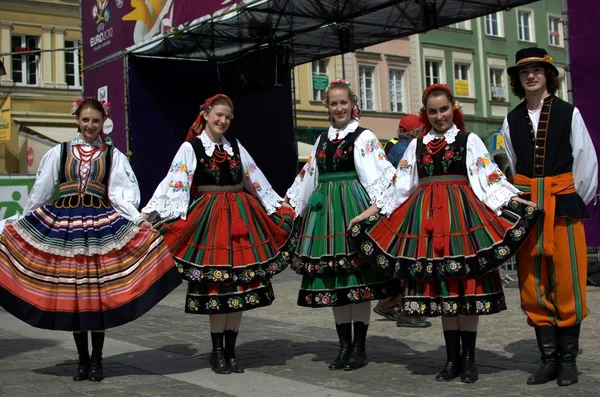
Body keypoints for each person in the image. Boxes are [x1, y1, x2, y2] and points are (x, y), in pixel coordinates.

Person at [348, 84, 541, 383]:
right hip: (428, 222)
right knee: (445, 291)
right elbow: (400, 188)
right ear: (426, 113)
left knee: (465, 286)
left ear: (454, 108)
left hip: (461, 219)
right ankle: (452, 360)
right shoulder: (417, 145)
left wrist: (516, 201)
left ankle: (469, 360)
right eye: (433, 111)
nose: (439, 116)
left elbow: (488, 179)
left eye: (444, 109)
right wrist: (366, 214)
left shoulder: (469, 140)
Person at [0, 98, 182, 382]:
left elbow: (121, 194)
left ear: (103, 123)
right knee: (74, 294)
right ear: (77, 121)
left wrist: (136, 220)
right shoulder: (60, 152)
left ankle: (97, 360)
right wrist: (23, 220)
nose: (90, 126)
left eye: (95, 121)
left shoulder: (112, 155)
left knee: (97, 295)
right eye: (85, 120)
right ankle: (82, 360)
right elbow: (42, 190)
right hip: (66, 225)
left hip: (99, 225)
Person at [141, 94, 294, 375]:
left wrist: (276, 203)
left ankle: (232, 351)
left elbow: (253, 176)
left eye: (227, 116)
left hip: (240, 218)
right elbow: (174, 181)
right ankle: (217, 352)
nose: (222, 120)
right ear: (206, 115)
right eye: (218, 115)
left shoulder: (235, 146)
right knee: (217, 286)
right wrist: (151, 214)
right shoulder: (192, 147)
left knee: (238, 285)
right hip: (211, 221)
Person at [283, 79, 396, 371]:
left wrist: (374, 211)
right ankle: (343, 346)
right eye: (334, 103)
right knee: (336, 282)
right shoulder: (322, 140)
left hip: (352, 211)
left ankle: (359, 347)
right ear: (327, 107)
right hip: (326, 215)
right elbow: (309, 177)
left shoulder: (363, 136)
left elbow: (381, 176)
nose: (339, 108)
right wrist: (290, 206)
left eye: (343, 102)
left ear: (352, 103)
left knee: (355, 280)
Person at [502, 47, 598, 387]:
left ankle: (569, 360)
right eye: (524, 72)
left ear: (547, 75)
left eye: (537, 70)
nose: (531, 76)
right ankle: (548, 359)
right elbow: (514, 165)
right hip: (530, 210)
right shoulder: (511, 119)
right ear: (517, 79)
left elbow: (586, 162)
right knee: (532, 282)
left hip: (562, 207)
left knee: (568, 280)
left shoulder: (568, 113)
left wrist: (569, 198)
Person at [376, 114, 431, 328]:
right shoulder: (408, 149)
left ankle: (388, 304)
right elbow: (407, 182)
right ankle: (407, 312)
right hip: (407, 209)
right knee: (413, 260)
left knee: (400, 261)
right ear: (417, 132)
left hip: (395, 209)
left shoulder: (393, 145)